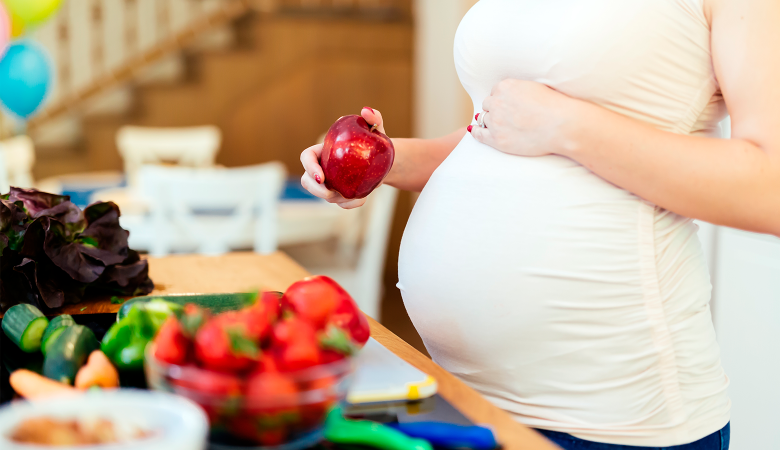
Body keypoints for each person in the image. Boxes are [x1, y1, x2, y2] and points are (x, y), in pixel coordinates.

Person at [300, 0, 780, 448]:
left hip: (611, 422)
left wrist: (567, 125)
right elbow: (497, 131)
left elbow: (769, 188)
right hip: (461, 398)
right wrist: (383, 160)